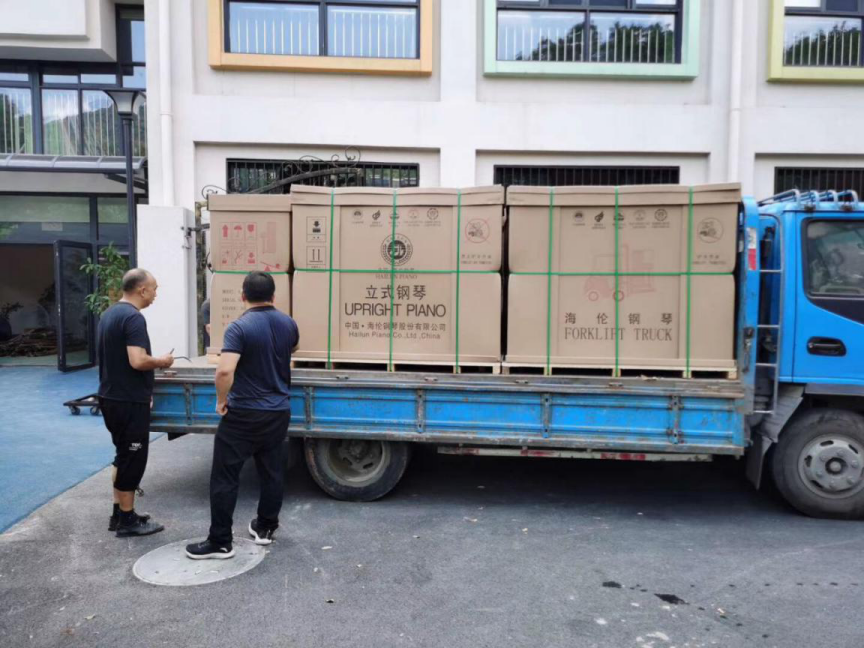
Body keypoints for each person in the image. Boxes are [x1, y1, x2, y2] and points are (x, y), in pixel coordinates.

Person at [186, 271, 299, 560]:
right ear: (274, 296)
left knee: (225, 476)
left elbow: (225, 370)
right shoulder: (289, 324)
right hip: (278, 411)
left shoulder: (239, 327)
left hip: (245, 414)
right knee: (272, 472)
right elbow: (293, 347)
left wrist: (221, 400)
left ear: (243, 295)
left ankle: (220, 541)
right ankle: (265, 528)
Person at [98, 268, 174, 537]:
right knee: (132, 458)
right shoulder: (133, 318)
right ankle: (128, 521)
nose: (155, 294)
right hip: (128, 401)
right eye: (154, 289)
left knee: (123, 456)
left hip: (111, 397)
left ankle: (119, 514)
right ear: (142, 290)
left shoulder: (109, 314)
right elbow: (138, 360)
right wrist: (162, 361)